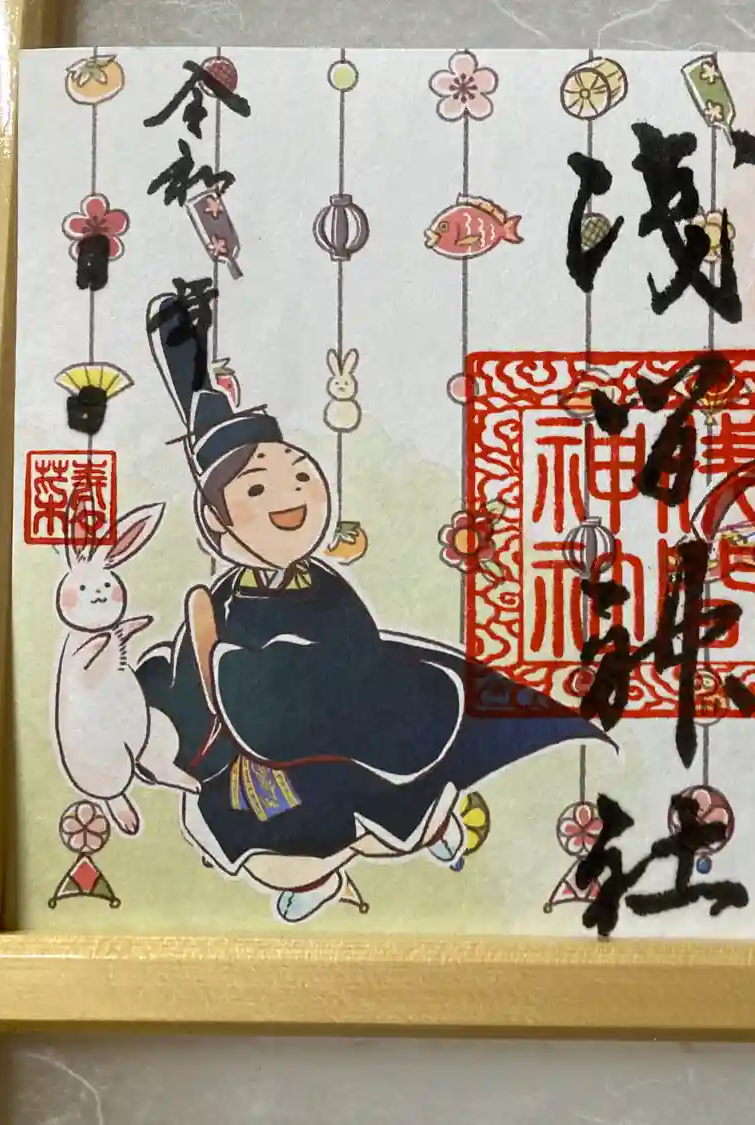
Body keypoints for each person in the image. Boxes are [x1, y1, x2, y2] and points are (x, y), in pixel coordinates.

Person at [137, 292, 610, 922]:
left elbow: (353, 649)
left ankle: (434, 827)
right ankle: (319, 882)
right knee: (277, 842)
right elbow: (190, 686)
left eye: (299, 474)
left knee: (394, 802)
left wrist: (236, 665)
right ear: (217, 527)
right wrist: (202, 679)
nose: (289, 495)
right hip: (266, 762)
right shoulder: (218, 600)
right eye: (257, 488)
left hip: (351, 729)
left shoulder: (323, 585)